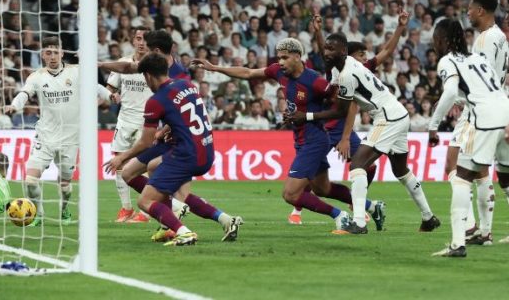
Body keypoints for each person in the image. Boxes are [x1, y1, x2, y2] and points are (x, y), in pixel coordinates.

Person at [194, 38, 379, 232]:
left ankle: (340, 216)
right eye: (278, 57)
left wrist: (321, 123)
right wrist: (215, 68)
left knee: (290, 194)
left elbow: (344, 106)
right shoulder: (278, 72)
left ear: (298, 57)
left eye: (284, 57)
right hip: (300, 139)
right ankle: (371, 206)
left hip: (314, 140)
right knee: (322, 189)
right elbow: (248, 72)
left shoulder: (315, 81)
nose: (280, 62)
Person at [289, 32, 438, 234]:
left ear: (343, 52)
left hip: (387, 118)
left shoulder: (347, 75)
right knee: (401, 171)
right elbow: (328, 58)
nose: (326, 52)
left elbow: (342, 110)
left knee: (358, 164)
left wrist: (306, 116)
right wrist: (318, 31)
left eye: (331, 49)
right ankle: (428, 218)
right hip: (398, 114)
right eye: (325, 48)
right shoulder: (343, 64)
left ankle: (358, 223)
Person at [105, 53, 242, 246]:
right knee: (141, 171)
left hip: (185, 154)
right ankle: (225, 219)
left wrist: (121, 157)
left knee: (145, 201)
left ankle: (182, 231)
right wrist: (166, 129)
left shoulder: (156, 100)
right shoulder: (187, 85)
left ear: (148, 76)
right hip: (204, 148)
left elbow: (145, 142)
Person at [287, 11, 408, 224]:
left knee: (367, 166)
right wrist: (318, 32)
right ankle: (298, 209)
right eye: (361, 54)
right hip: (323, 128)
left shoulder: (361, 70)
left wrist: (400, 27)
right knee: (315, 180)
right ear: (348, 54)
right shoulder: (335, 67)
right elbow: (326, 49)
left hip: (342, 127)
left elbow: (387, 51)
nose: (365, 57)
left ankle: (360, 203)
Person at [428, 19, 509, 257]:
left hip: (483, 119)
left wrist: (433, 125)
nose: (434, 44)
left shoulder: (447, 60)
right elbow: (491, 88)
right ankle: (484, 233)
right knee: (505, 176)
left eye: (435, 40)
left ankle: (457, 243)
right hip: (505, 113)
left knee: (462, 175)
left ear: (442, 40)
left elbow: (451, 91)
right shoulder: (478, 59)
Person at [5, 37, 80, 226]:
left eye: (56, 52)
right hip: (45, 135)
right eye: (48, 52)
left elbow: (95, 88)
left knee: (64, 185)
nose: (52, 56)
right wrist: (14, 105)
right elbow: (25, 92)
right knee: (30, 180)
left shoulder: (76, 72)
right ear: (42, 55)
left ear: (62, 53)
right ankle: (38, 213)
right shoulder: (36, 76)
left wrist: (110, 95)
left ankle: (64, 210)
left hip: (70, 138)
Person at [105, 27, 152, 223]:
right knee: (119, 164)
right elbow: (110, 88)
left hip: (147, 122)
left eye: (145, 40)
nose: (141, 42)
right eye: (138, 38)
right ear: (133, 40)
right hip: (124, 121)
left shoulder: (155, 65)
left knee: (148, 167)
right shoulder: (123, 63)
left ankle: (147, 212)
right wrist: (112, 95)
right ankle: (126, 208)